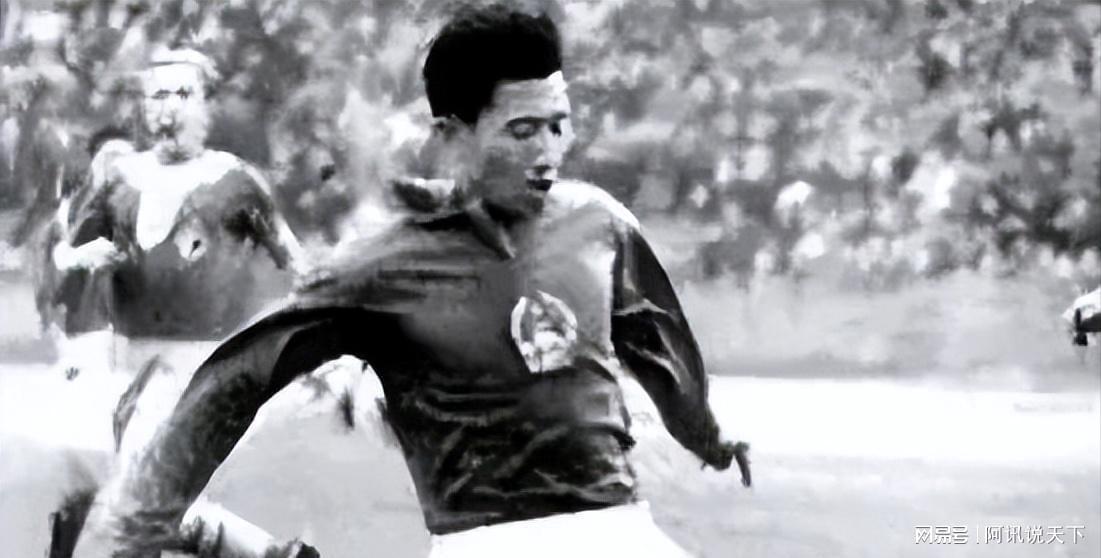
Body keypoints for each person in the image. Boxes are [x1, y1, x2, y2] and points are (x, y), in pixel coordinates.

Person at [73, 6, 750, 557]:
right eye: (522, 131)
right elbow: (234, 381)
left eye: (558, 125)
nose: (547, 151)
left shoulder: (599, 225)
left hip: (621, 531)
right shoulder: (382, 267)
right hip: (488, 542)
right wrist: (135, 527)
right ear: (453, 135)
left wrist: (706, 437)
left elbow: (659, 344)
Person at [47, 46, 318, 558]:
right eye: (157, 96)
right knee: (150, 505)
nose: (169, 107)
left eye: (183, 94)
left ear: (206, 106)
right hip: (132, 366)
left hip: (202, 367)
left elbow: (293, 257)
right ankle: (274, 554)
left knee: (135, 500)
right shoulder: (118, 179)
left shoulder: (233, 181)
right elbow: (63, 254)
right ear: (143, 107)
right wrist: (84, 257)